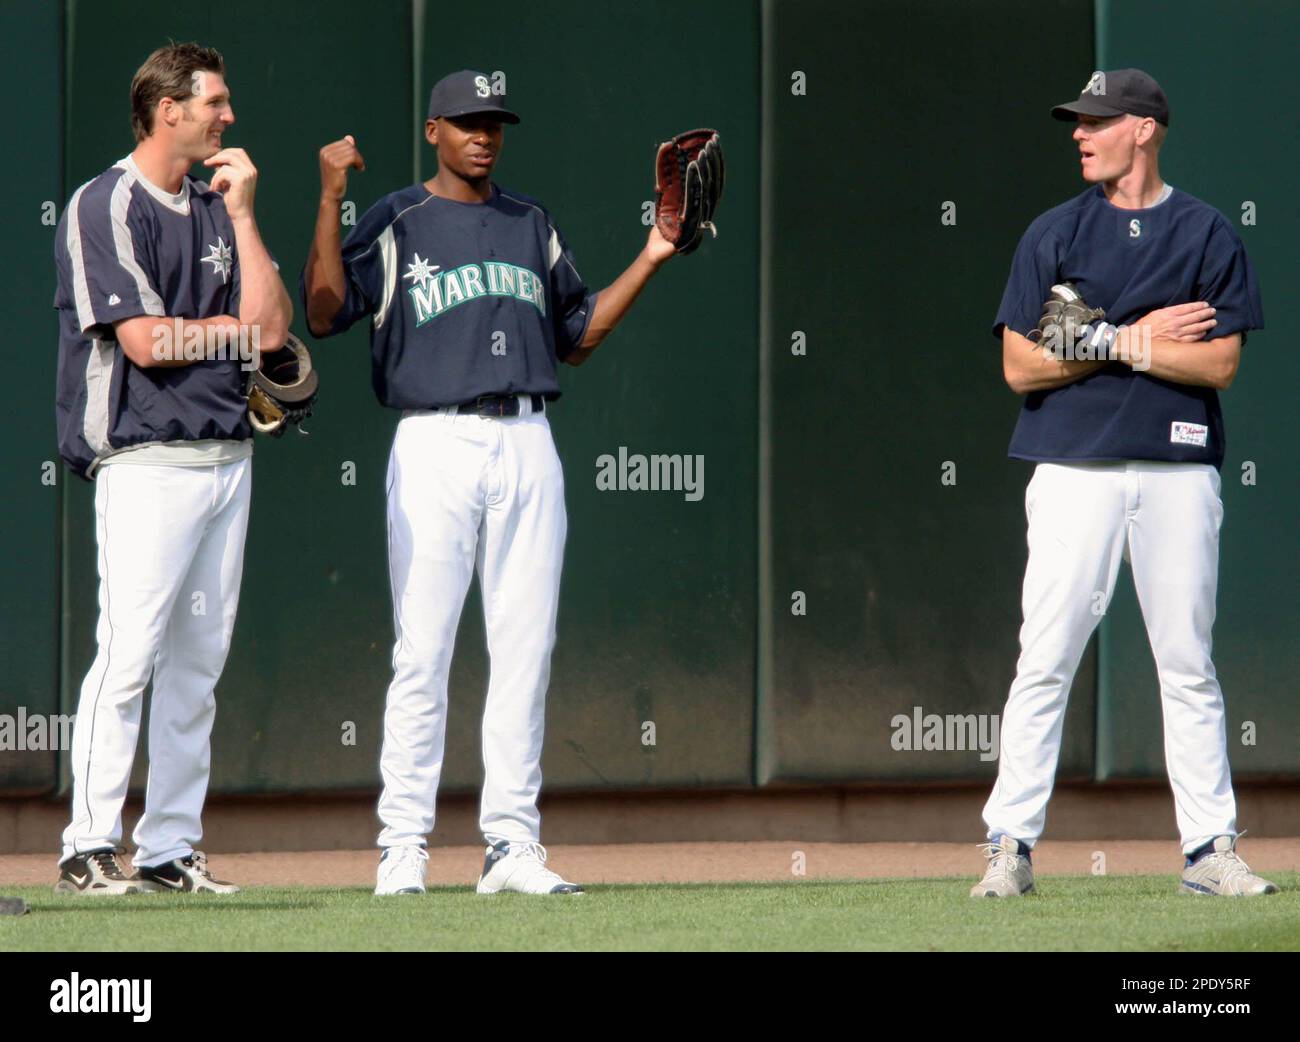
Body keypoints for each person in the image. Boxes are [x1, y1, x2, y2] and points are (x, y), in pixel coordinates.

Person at [302, 70, 681, 895]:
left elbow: (577, 336)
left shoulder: (530, 220)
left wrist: (653, 252)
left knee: (524, 652)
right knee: (424, 650)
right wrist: (330, 200)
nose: (484, 133)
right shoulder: (398, 215)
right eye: (468, 121)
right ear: (433, 129)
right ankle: (403, 844)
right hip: (435, 439)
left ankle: (512, 846)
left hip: (529, 439)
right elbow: (326, 311)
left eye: (495, 121)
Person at [974, 69, 1277, 898]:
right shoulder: (1054, 233)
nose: (1081, 133)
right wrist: (1137, 337)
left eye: (1099, 122)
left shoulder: (1206, 232)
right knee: (1046, 657)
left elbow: (1218, 362)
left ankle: (1209, 850)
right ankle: (1010, 846)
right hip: (1072, 470)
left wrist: (1104, 340)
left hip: (1177, 470)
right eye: (1078, 121)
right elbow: (1019, 365)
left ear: (1143, 129)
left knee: (1186, 662)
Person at [53, 42, 292, 895]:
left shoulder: (216, 204)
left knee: (198, 666)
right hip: (146, 456)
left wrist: (248, 217)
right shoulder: (106, 202)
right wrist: (235, 333)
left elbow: (275, 321)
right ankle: (87, 846)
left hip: (228, 451)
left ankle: (166, 851)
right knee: (128, 654)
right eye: (215, 103)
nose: (228, 117)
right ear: (169, 111)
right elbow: (147, 344)